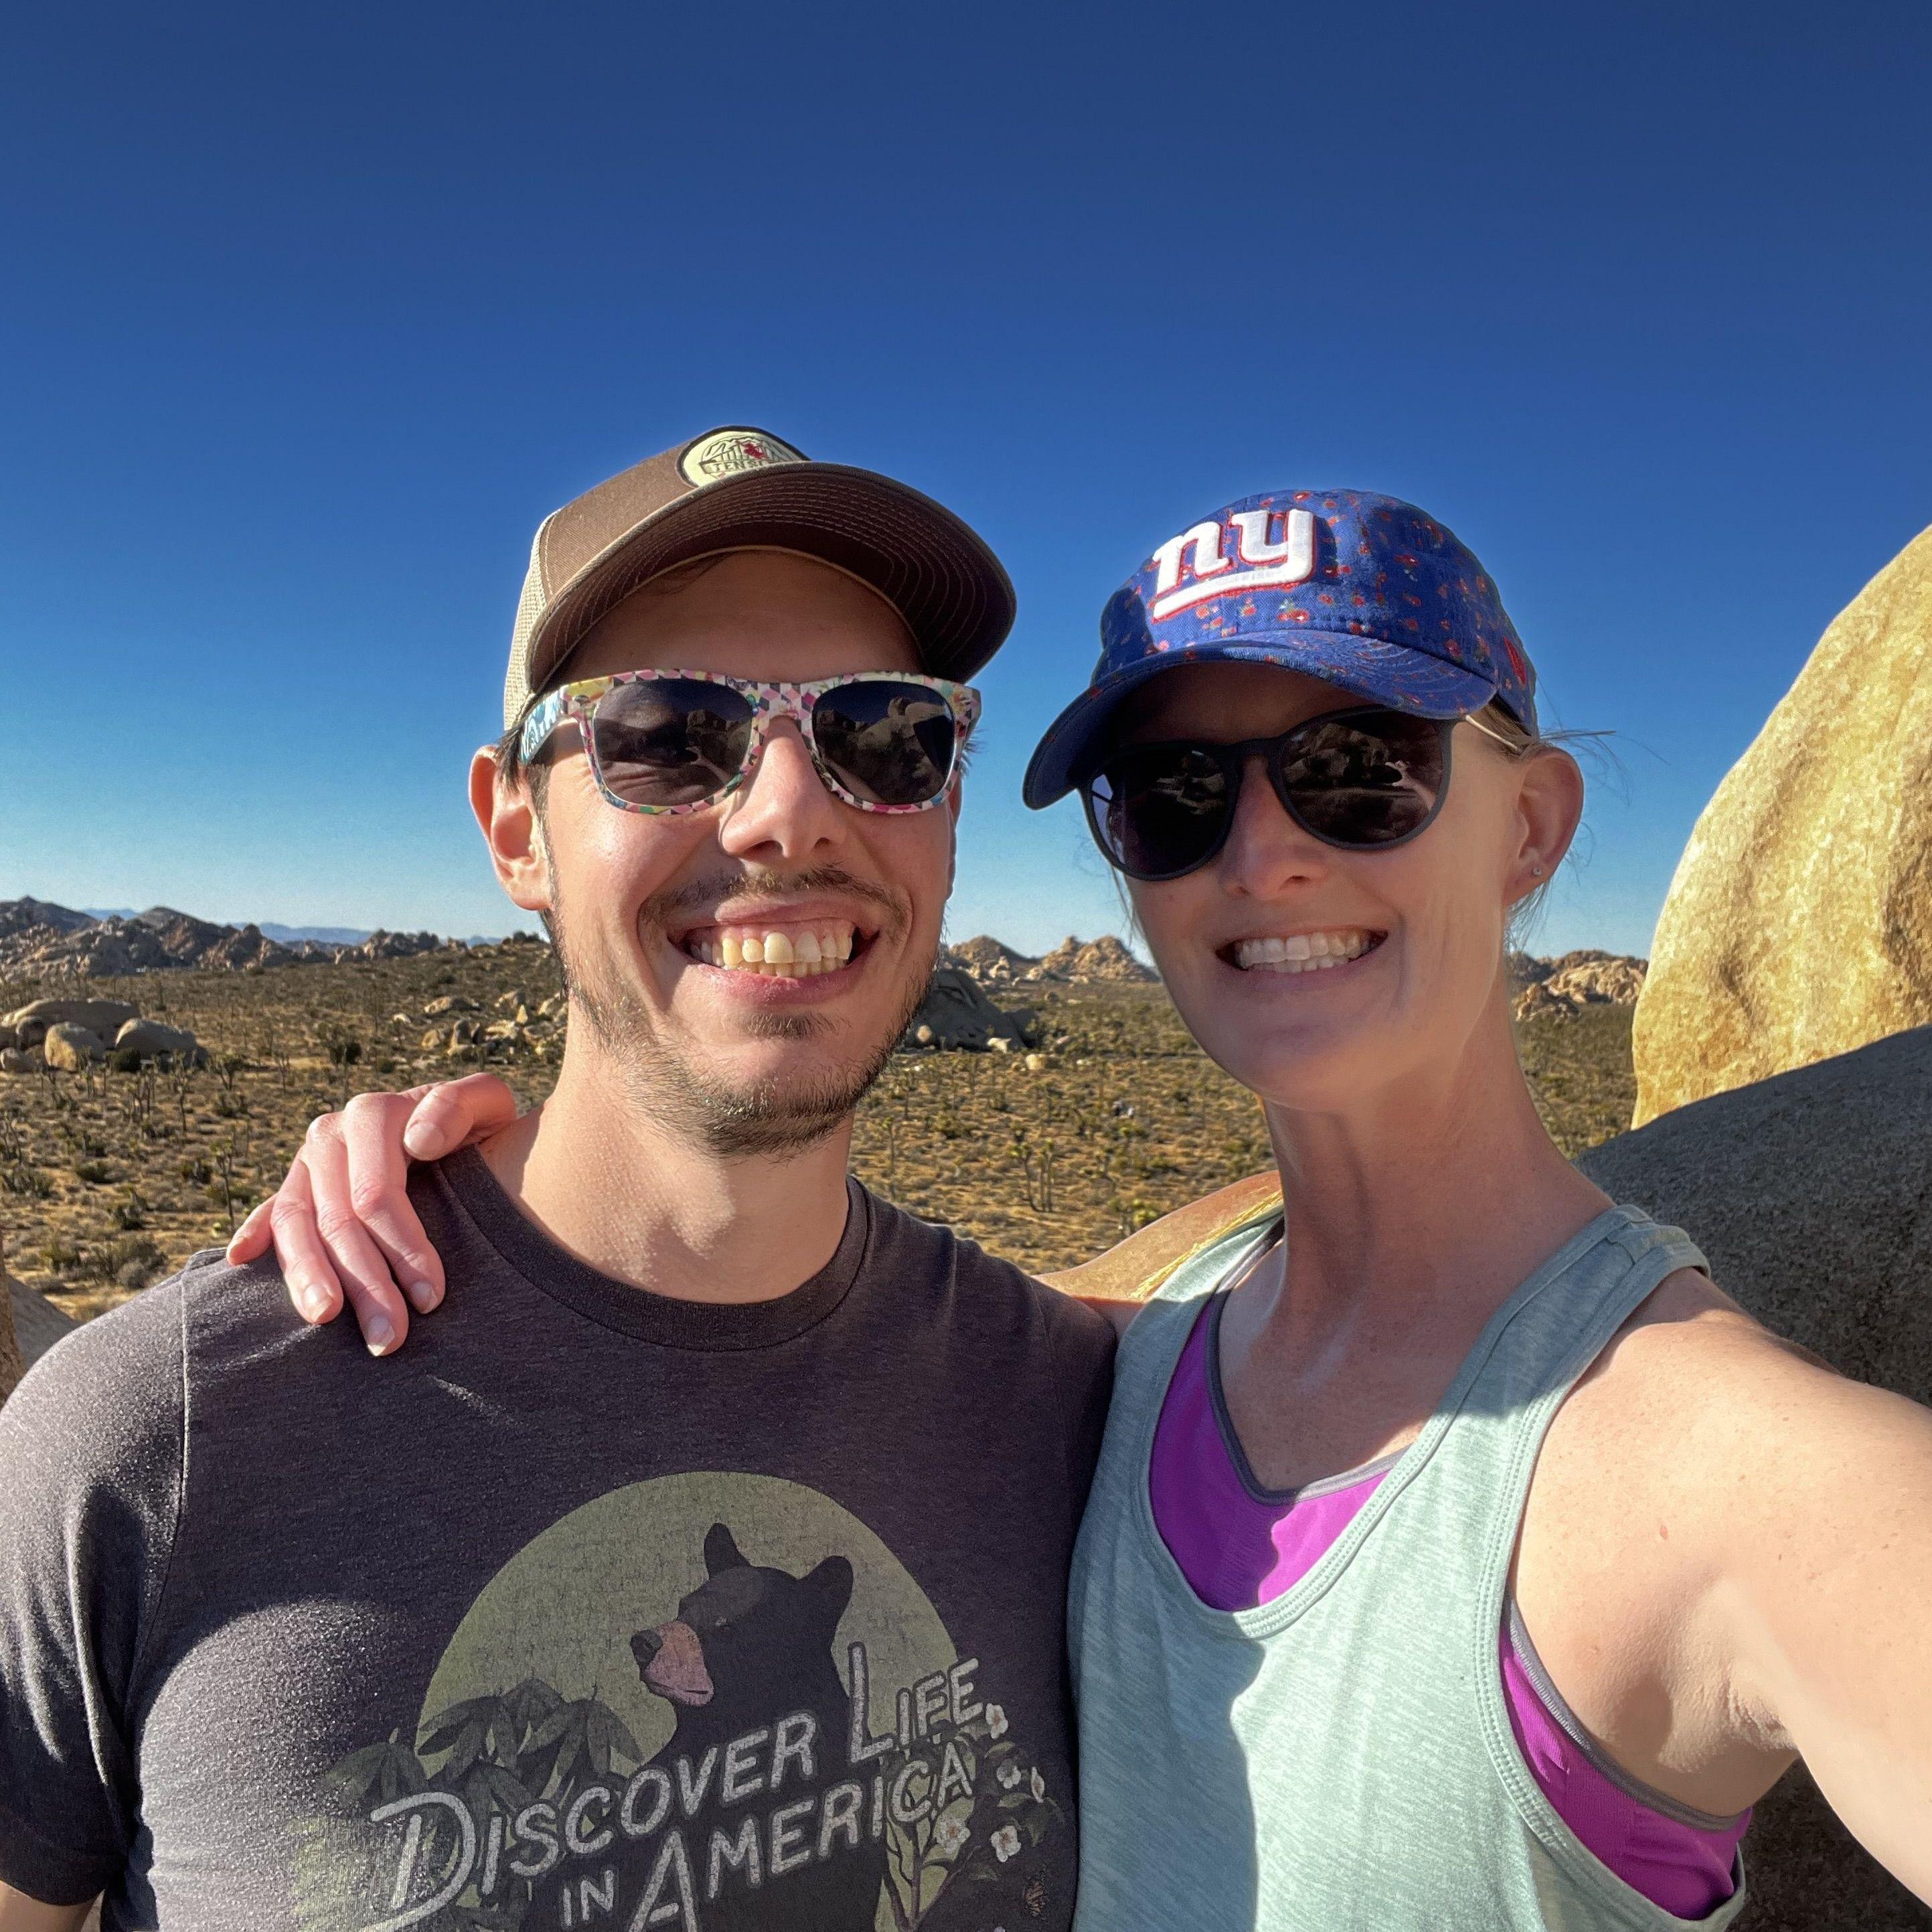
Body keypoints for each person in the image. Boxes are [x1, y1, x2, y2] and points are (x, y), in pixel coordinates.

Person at [258, 487, 1932, 1927]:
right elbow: (769, 1325)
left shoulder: (1744, 1475)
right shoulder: (1134, 1358)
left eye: (1357, 769)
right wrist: (481, 1187)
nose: (1261, 853)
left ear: (1532, 824)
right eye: (1178, 795)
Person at [0, 426, 1117, 1932]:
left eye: (887, 733)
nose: (791, 809)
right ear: (517, 829)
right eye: (667, 730)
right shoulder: (158, 1439)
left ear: (951, 813)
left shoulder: (1072, 1411)